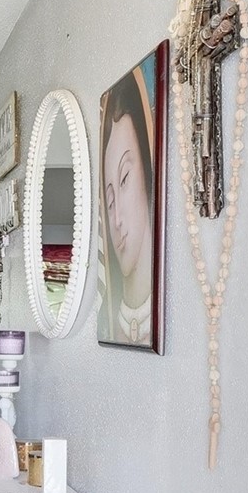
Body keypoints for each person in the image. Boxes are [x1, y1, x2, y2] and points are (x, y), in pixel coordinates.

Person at [99, 60, 157, 347]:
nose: (117, 218)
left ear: (147, 173)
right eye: (109, 202)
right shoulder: (104, 324)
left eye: (124, 180)